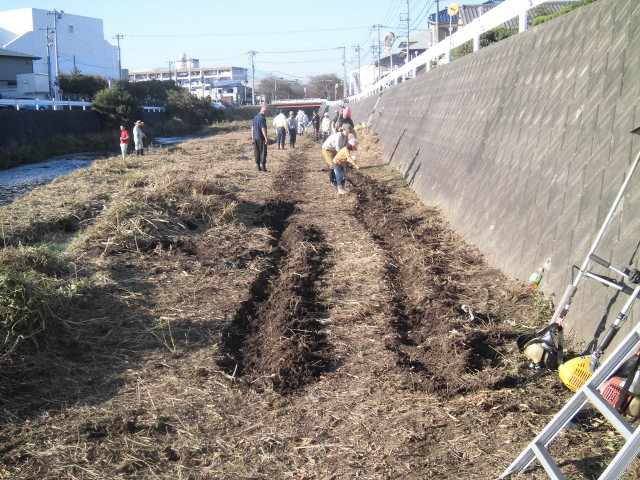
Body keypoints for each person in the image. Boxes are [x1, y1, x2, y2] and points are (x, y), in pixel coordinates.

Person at [252, 106, 269, 171]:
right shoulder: (262, 118)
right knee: (263, 152)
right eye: (267, 112)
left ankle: (258, 167)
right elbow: (263, 128)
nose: (267, 113)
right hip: (261, 138)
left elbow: (253, 126)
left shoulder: (255, 117)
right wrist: (266, 137)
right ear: (264, 111)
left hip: (256, 137)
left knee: (257, 152)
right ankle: (264, 168)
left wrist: (252, 135)